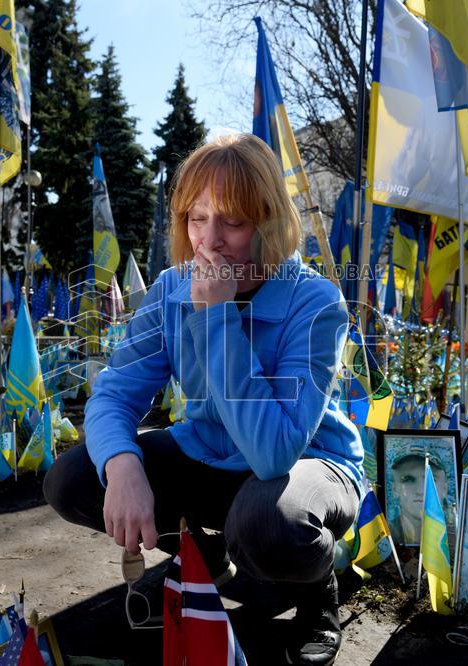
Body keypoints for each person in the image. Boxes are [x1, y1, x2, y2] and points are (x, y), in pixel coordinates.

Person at [44, 133, 362, 665]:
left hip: (304, 464)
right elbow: (114, 394)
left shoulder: (315, 302)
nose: (209, 242)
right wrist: (123, 467)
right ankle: (203, 552)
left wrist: (216, 317)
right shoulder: (172, 288)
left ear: (269, 223)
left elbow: (273, 452)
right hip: (210, 453)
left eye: (232, 222)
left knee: (268, 524)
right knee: (73, 480)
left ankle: (316, 590)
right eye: (197, 218)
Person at [388, 447, 450, 545]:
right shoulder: (381, 539)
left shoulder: (462, 538)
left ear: (445, 489)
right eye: (408, 480)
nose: (421, 491)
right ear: (394, 489)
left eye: (431, 479)